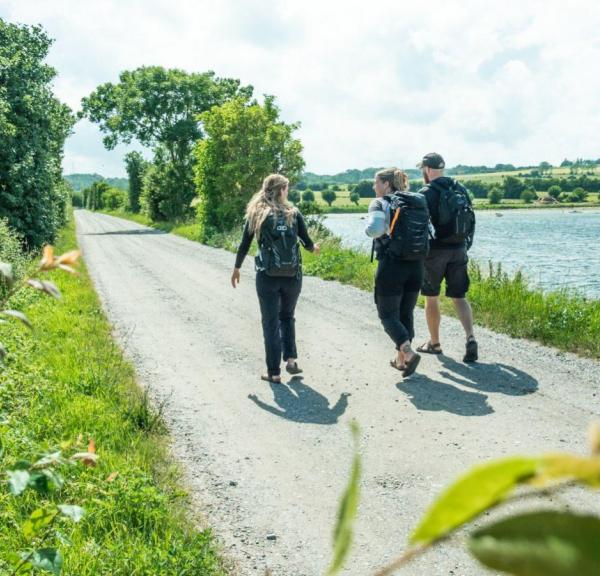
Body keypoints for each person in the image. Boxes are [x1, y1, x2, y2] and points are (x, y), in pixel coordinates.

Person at [231, 174, 320, 383]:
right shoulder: (293, 213)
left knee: (270, 322)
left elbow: (244, 244)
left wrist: (236, 268)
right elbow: (307, 243)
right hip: (292, 276)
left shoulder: (257, 213)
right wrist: (314, 248)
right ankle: (290, 360)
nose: (287, 192)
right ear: (281, 190)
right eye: (286, 188)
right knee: (287, 316)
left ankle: (274, 373)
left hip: (267, 276)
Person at [365, 168, 430, 377]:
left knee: (387, 314)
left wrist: (368, 231)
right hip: (416, 266)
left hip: (392, 266)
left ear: (386, 184)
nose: (374, 187)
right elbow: (432, 232)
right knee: (405, 313)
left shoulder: (380, 202)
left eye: (376, 182)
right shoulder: (417, 203)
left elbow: (374, 229)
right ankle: (401, 361)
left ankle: (408, 353)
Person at [415, 152, 478, 362]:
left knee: (431, 297)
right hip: (459, 248)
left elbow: (420, 226)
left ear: (427, 169)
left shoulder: (426, 192)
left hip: (435, 251)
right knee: (459, 296)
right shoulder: (459, 188)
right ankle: (470, 338)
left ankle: (435, 343)